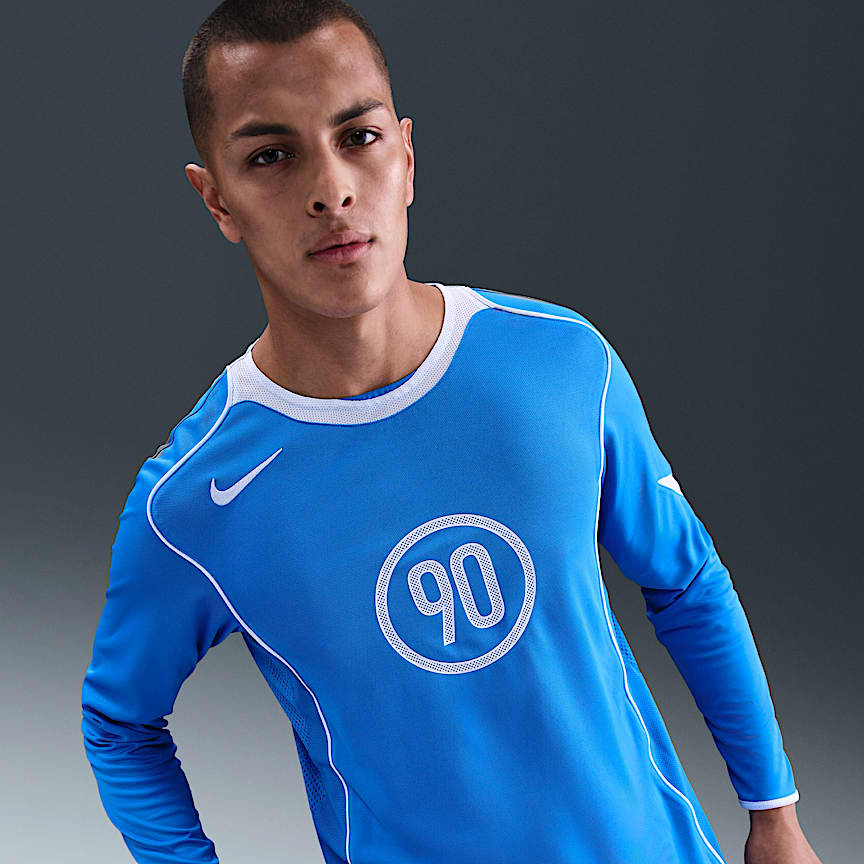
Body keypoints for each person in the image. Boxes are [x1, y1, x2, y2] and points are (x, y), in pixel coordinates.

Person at [80, 2, 823, 862]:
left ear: (404, 156)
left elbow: (686, 581)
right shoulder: (194, 501)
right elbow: (119, 725)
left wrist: (775, 814)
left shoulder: (559, 358)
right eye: (272, 156)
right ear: (217, 198)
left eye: (357, 137)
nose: (331, 190)